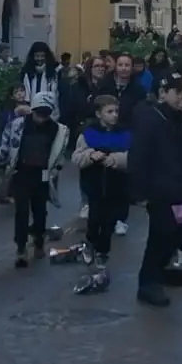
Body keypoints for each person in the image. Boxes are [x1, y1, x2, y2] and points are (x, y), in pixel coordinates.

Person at [128, 72, 182, 307]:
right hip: (159, 189)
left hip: (180, 187)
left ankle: (160, 269)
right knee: (160, 236)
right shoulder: (151, 118)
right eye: (179, 95)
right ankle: (149, 282)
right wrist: (139, 191)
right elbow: (138, 156)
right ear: (165, 93)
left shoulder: (181, 120)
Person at [0, 90, 67, 267]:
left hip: (42, 175)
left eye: (46, 114)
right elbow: (6, 143)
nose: (42, 118)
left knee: (40, 211)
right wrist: (3, 158)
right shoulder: (18, 125)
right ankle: (21, 249)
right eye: (39, 113)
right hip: (21, 173)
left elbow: (60, 153)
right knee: (21, 212)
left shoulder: (57, 130)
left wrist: (55, 170)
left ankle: (38, 241)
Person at [74, 94, 133, 267]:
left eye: (116, 111)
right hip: (94, 184)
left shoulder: (124, 134)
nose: (115, 115)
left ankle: (103, 252)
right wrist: (91, 156)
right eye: (110, 111)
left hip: (117, 185)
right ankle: (91, 242)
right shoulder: (88, 135)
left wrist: (115, 160)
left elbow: (133, 157)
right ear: (99, 114)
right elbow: (77, 157)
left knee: (109, 221)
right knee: (95, 218)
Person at [18, 41, 59, 117]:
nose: (39, 59)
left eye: (42, 56)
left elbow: (56, 93)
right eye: (37, 56)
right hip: (30, 111)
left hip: (49, 111)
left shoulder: (54, 72)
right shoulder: (26, 72)